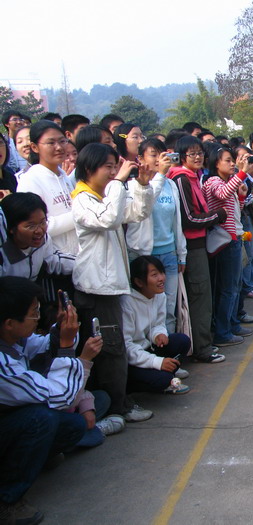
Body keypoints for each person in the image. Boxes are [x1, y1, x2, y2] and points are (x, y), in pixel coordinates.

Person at [0, 276, 101, 524]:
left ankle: (30, 458)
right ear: (10, 323)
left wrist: (61, 328)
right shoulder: (3, 366)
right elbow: (61, 397)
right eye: (33, 314)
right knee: (40, 419)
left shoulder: (13, 339)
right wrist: (74, 352)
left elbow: (42, 344)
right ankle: (7, 500)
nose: (37, 319)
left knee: (74, 426)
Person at [71, 142, 156, 421]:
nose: (112, 172)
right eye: (107, 167)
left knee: (113, 347)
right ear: (88, 169)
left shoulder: (103, 196)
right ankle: (117, 408)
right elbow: (108, 219)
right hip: (96, 288)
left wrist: (142, 185)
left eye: (114, 167)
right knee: (111, 350)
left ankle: (115, 405)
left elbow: (137, 213)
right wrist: (119, 182)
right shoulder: (83, 200)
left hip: (109, 286)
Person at [169, 136, 227, 363]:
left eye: (200, 153)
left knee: (203, 295)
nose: (197, 157)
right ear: (181, 156)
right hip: (191, 247)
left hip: (199, 244)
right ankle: (202, 348)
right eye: (192, 154)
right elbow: (189, 218)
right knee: (199, 296)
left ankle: (202, 343)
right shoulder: (182, 179)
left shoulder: (194, 177)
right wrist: (218, 216)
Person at [125, 138, 183, 333]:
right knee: (145, 309)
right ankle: (149, 349)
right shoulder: (133, 185)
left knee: (169, 306)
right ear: (140, 159)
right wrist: (160, 175)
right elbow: (147, 204)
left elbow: (177, 221)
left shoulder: (170, 184)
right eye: (153, 155)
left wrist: (181, 253)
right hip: (144, 254)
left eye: (162, 155)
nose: (159, 159)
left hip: (169, 252)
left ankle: (169, 346)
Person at [122, 256, 192, 395]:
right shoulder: (127, 303)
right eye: (154, 275)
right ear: (139, 282)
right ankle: (133, 386)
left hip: (149, 348)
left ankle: (166, 371)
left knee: (182, 341)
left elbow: (158, 323)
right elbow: (127, 346)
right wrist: (157, 362)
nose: (161, 278)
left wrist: (158, 334)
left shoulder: (159, 295)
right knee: (163, 379)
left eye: (161, 273)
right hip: (132, 359)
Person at [202, 146, 250, 347]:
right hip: (226, 242)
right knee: (227, 289)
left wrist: (241, 196)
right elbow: (222, 195)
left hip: (234, 238)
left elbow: (235, 211)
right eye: (228, 160)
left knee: (234, 287)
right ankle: (223, 332)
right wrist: (242, 172)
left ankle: (232, 324)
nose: (232, 164)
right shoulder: (213, 182)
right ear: (216, 163)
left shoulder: (227, 182)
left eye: (233, 160)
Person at [16, 121, 79, 255]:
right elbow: (33, 228)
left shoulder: (64, 177)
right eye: (51, 143)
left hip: (76, 257)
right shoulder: (30, 180)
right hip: (51, 258)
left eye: (62, 141)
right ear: (35, 147)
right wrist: (80, 215)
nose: (59, 147)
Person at [0, 192, 74, 280]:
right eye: (31, 226)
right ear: (11, 228)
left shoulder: (43, 240)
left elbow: (52, 259)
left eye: (43, 222)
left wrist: (83, 264)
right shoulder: (3, 254)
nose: (39, 231)